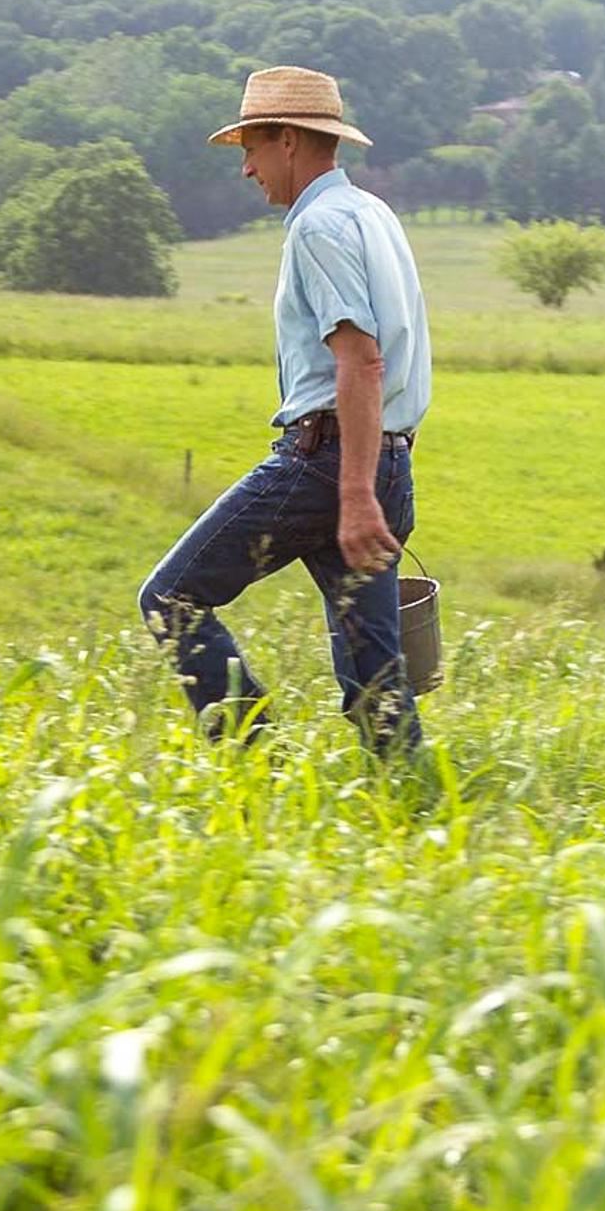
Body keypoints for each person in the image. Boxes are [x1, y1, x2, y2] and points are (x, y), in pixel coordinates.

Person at [137, 65, 433, 755]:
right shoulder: (373, 215)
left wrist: (353, 494)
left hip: (327, 463)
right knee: (375, 675)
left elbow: (360, 358)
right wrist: (377, 476)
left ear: (290, 142)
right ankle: (412, 804)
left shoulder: (318, 228)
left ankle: (256, 763)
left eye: (251, 148)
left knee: (170, 601)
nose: (246, 168)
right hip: (386, 456)